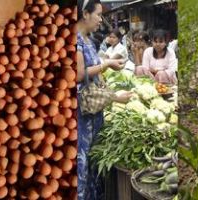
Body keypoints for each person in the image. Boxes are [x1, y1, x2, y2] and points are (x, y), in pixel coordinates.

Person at [77, 0, 132, 199]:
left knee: (92, 168)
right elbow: (78, 74)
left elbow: (92, 70)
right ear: (85, 13)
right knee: (81, 170)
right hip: (82, 118)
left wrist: (107, 66)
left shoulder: (87, 39)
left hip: (93, 114)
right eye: (98, 14)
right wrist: (106, 64)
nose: (101, 19)